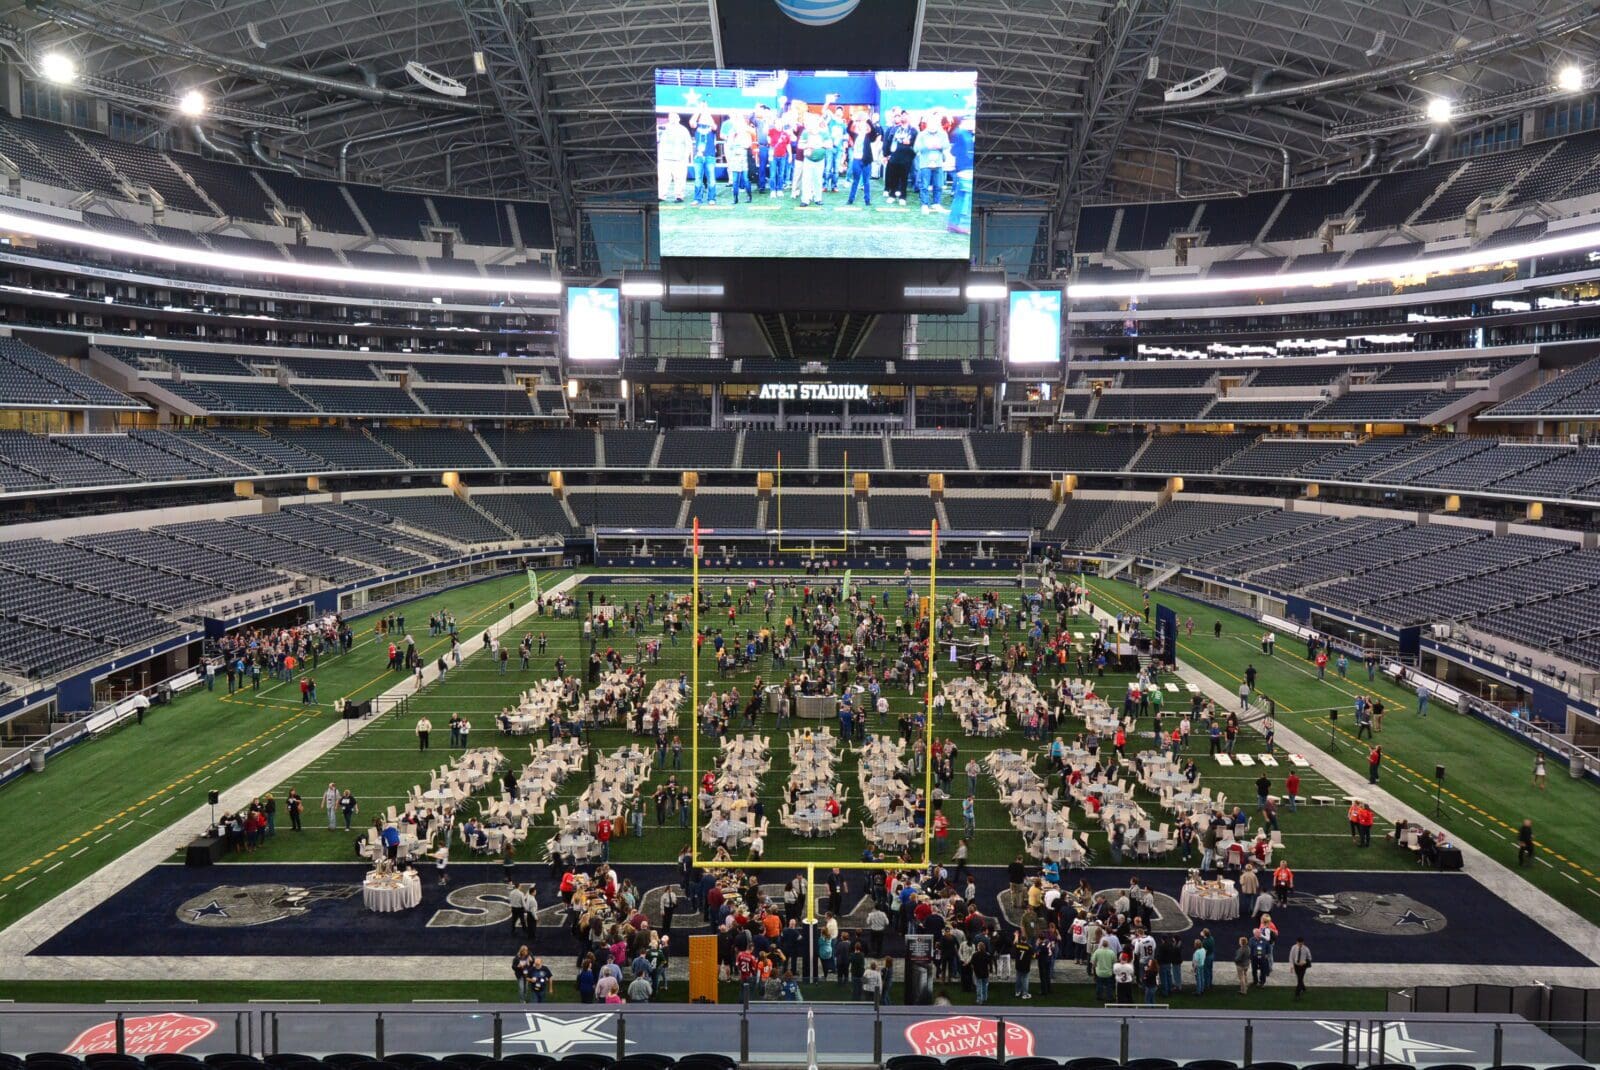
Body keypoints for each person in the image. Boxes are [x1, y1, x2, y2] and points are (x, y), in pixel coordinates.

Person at [658, 112, 690, 202]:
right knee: (663, 179)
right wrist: (660, 158)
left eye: (674, 117)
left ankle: (679, 196)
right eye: (671, 117)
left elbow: (688, 144)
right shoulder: (664, 129)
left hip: (679, 159)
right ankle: (661, 196)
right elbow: (660, 143)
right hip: (665, 159)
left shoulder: (683, 130)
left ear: (678, 119)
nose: (673, 119)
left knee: (679, 179)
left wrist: (686, 157)